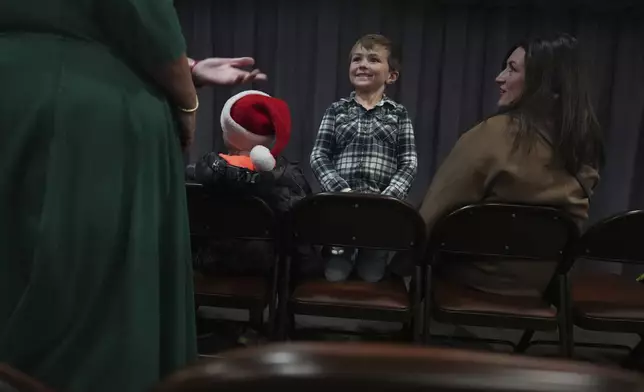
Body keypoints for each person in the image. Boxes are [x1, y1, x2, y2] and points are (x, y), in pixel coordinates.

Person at [0, 1, 263, 391]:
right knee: (92, 310)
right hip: (86, 112)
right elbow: (139, 12)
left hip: (18, 95)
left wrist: (188, 67)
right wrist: (186, 96)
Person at [418, 33, 605, 296]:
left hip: (470, 277)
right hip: (540, 284)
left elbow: (432, 216)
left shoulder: (492, 135)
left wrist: (398, 265)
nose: (499, 77)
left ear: (544, 82)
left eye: (512, 69)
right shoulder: (586, 143)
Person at [310, 34, 418, 283]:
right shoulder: (336, 110)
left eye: (373, 59)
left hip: (380, 209)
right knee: (335, 275)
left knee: (371, 276)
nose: (362, 64)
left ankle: (374, 254)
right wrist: (340, 190)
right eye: (356, 59)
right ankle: (338, 253)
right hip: (341, 205)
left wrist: (389, 197)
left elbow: (409, 161)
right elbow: (319, 154)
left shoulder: (399, 115)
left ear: (391, 75)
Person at [187, 90, 320, 278]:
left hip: (209, 263)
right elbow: (302, 235)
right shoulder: (289, 180)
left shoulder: (199, 172)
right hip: (264, 269)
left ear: (228, 134)